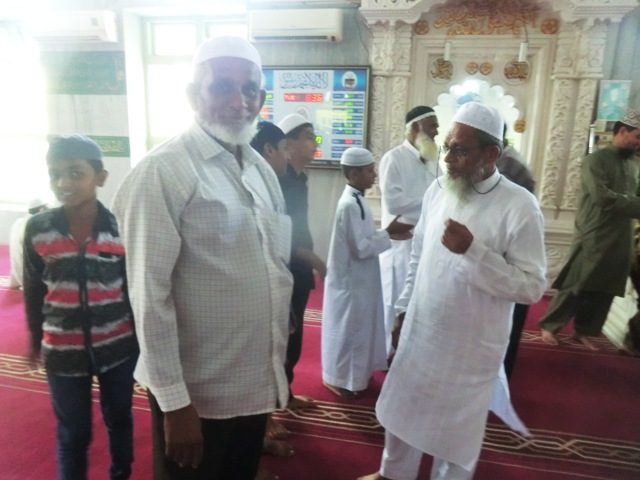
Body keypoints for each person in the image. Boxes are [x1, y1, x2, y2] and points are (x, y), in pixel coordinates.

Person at [112, 37, 293, 480]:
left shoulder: (260, 169)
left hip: (252, 384)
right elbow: (149, 297)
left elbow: (272, 262)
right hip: (197, 395)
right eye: (223, 87)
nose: (239, 101)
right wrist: (175, 403)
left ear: (261, 98)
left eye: (249, 89)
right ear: (194, 95)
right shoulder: (164, 171)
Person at [359, 102, 547, 480]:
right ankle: (393, 474)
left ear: (491, 153)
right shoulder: (438, 189)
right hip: (422, 330)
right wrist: (402, 309)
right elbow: (418, 257)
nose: (447, 159)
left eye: (459, 150)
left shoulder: (519, 206)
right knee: (404, 410)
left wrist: (474, 252)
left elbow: (531, 286)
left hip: (471, 346)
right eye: (446, 147)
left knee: (455, 434)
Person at [23, 135, 138, 480]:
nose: (64, 183)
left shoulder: (120, 227)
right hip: (62, 350)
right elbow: (33, 288)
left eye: (75, 173)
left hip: (117, 347)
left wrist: (141, 343)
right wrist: (35, 339)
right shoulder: (39, 229)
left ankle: (121, 473)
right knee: (73, 433)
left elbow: (133, 290)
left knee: (119, 418)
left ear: (100, 177)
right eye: (55, 174)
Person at [539, 108, 640, 351]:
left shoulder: (633, 165)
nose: (639, 143)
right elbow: (603, 198)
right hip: (594, 232)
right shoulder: (595, 161)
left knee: (606, 288)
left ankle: (584, 331)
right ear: (622, 131)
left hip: (623, 236)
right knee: (578, 282)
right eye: (637, 137)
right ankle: (550, 326)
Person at [321, 147, 412, 398]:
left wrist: (387, 234)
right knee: (348, 331)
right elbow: (361, 248)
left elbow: (365, 238)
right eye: (369, 170)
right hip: (350, 283)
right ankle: (338, 379)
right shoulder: (349, 204)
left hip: (361, 279)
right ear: (354, 174)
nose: (374, 175)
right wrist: (389, 232)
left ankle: (356, 376)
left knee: (360, 328)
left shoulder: (357, 200)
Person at [378, 106, 440, 354]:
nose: (436, 131)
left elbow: (442, 194)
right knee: (395, 299)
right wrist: (430, 203)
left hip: (425, 242)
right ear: (415, 127)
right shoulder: (393, 158)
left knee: (419, 298)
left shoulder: (432, 159)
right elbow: (394, 203)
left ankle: (411, 352)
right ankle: (387, 352)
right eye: (432, 125)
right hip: (400, 244)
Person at [277, 112, 326, 409]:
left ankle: (285, 395)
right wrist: (316, 261)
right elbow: (284, 235)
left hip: (300, 270)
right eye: (309, 137)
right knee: (281, 335)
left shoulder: (299, 179)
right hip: (286, 268)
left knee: (294, 335)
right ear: (289, 144)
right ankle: (270, 407)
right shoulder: (280, 181)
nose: (314, 143)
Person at [497, 126, 536, 378]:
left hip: (510, 262)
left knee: (504, 329)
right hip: (505, 261)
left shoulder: (508, 168)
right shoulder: (506, 160)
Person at [8, 198, 48, 288]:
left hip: (17, 274)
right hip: (30, 280)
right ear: (41, 210)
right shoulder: (36, 225)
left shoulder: (18, 222)